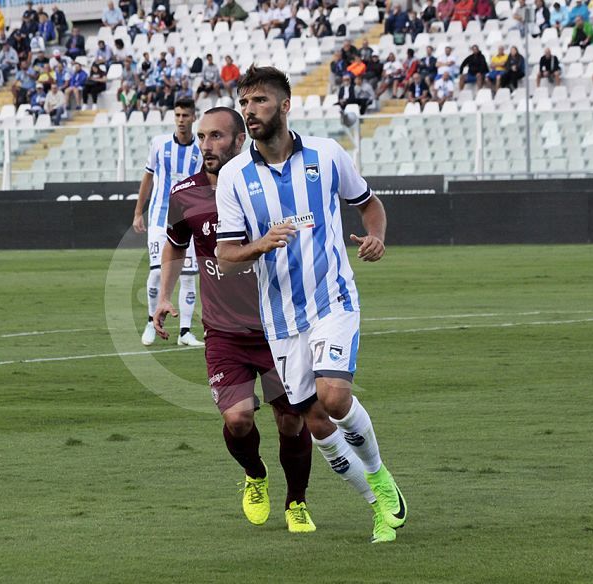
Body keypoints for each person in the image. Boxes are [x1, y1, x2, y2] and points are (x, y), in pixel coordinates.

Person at [216, 66, 407, 544]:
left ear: (284, 105)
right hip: (280, 317)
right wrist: (260, 245)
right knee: (314, 420)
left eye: (258, 101)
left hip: (333, 299)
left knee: (335, 396)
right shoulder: (235, 176)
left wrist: (377, 238)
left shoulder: (326, 153)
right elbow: (226, 254)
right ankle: (377, 505)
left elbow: (369, 204)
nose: (249, 111)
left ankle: (380, 476)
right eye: (244, 103)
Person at [153, 107, 315, 533]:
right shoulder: (185, 192)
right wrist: (165, 295)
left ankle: (296, 502)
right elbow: (174, 244)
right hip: (224, 331)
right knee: (238, 420)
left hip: (278, 325)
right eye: (202, 137)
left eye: (217, 137)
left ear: (240, 140)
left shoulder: (263, 184)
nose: (206, 145)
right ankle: (256, 475)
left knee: (291, 420)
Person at [132, 98, 204, 347]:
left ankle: (185, 332)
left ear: (194, 117)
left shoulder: (201, 149)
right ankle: (151, 322)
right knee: (156, 273)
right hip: (160, 220)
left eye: (186, 115)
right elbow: (148, 177)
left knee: (187, 276)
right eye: (178, 115)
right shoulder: (159, 144)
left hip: (189, 221)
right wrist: (138, 212)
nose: (181, 120)